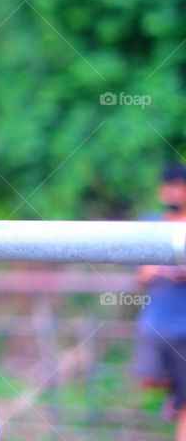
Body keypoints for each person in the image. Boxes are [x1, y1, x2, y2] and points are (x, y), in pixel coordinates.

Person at [134, 162, 186, 441]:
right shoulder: (151, 224)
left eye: (178, 186)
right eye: (168, 186)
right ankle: (174, 396)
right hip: (156, 324)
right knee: (149, 379)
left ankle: (178, 399)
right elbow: (142, 272)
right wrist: (163, 269)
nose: (172, 193)